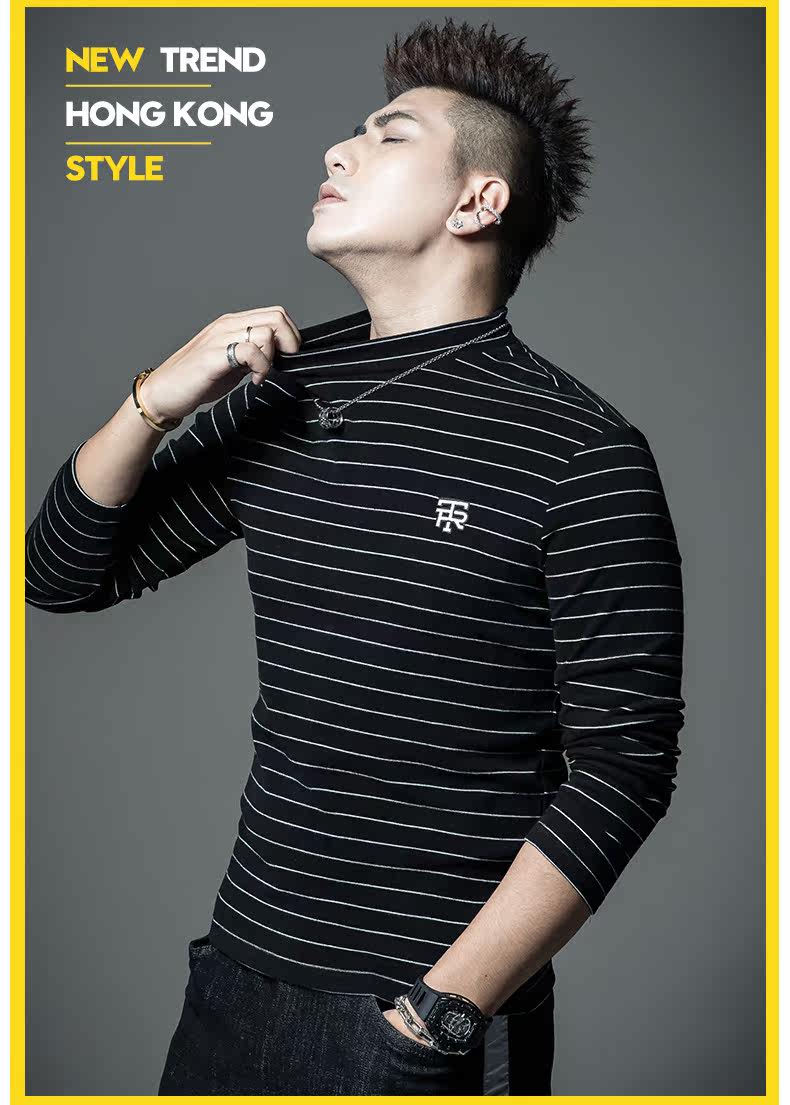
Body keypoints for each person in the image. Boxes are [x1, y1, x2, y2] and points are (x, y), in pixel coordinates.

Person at [25, 16, 685, 1096]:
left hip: (424, 1011)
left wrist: (439, 1012)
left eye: (388, 135)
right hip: (238, 977)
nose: (337, 150)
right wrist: (154, 399)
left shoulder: (580, 450)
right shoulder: (287, 387)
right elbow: (61, 574)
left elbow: (626, 766)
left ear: (477, 202)